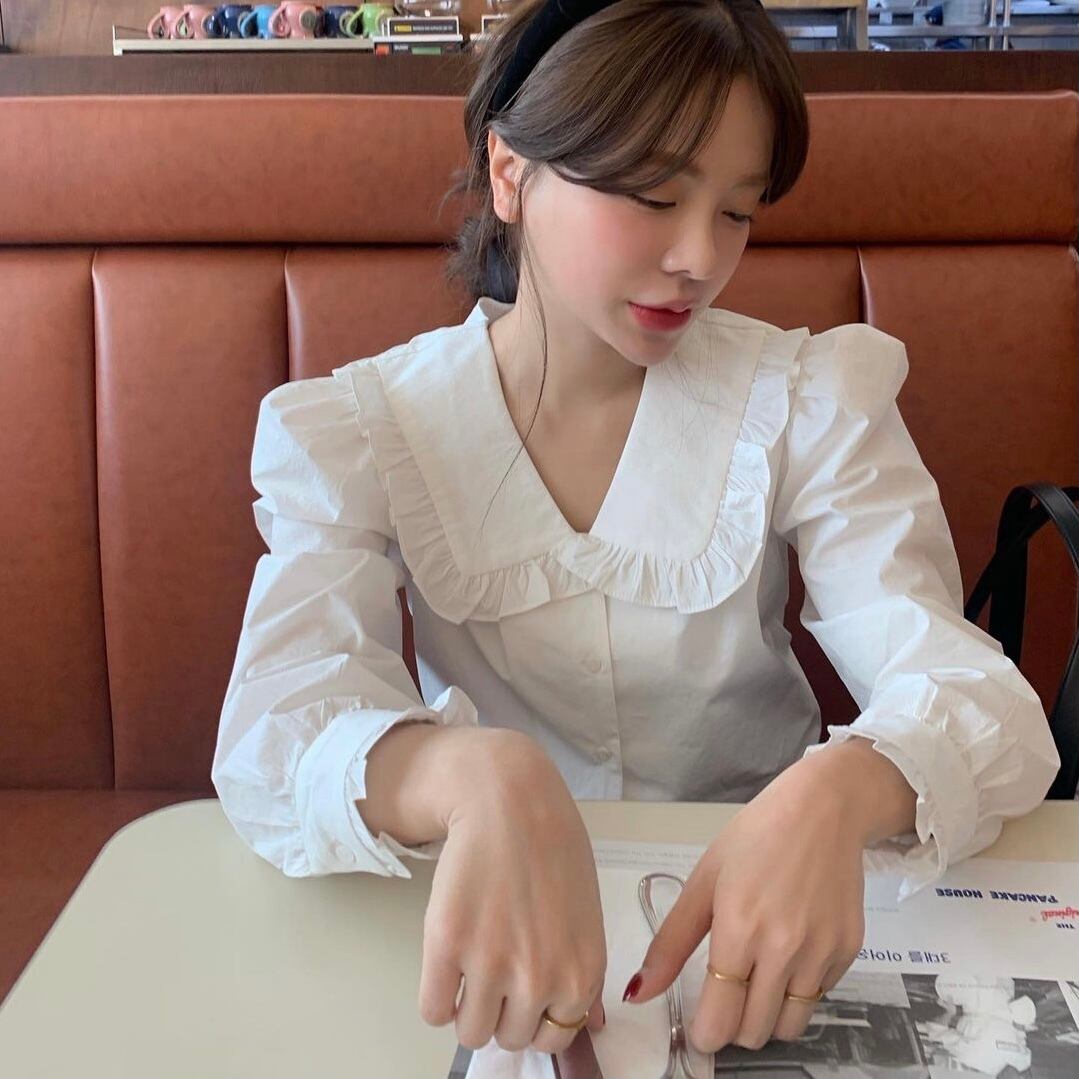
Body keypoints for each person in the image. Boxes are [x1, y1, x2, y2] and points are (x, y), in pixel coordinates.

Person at [210, 0, 1061, 1065]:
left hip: (759, 925)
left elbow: (974, 697)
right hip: (487, 936)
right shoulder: (369, 425)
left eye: (737, 211)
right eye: (652, 196)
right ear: (510, 173)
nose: (699, 257)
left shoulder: (804, 396)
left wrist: (846, 787)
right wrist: (467, 774)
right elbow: (275, 734)